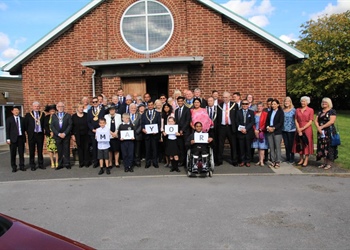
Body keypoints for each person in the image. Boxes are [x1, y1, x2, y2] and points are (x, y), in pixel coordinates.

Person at [216, 91, 238, 166]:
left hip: (231, 127)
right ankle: (219, 160)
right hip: (222, 127)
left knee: (233, 144)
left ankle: (234, 160)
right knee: (220, 144)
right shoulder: (219, 105)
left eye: (226, 97)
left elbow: (236, 117)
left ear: (229, 97)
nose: (225, 99)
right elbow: (218, 117)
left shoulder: (234, 105)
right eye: (223, 97)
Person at [314, 97, 338, 170]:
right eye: (323, 102)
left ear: (329, 103)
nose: (324, 103)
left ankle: (329, 163)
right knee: (322, 146)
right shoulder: (320, 112)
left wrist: (322, 127)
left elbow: (331, 121)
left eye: (326, 102)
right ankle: (324, 162)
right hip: (321, 132)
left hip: (329, 131)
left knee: (329, 147)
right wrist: (318, 127)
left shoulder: (332, 111)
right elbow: (316, 120)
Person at [292, 96, 314, 167]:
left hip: (307, 128)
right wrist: (298, 128)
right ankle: (301, 158)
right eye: (302, 101)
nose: (303, 103)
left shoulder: (310, 110)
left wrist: (303, 128)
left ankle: (306, 159)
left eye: (304, 101)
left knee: (306, 143)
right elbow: (295, 119)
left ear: (307, 102)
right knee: (299, 143)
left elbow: (311, 121)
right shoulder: (297, 110)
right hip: (298, 128)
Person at [50, 102, 72, 170]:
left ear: (64, 107)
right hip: (57, 136)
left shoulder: (67, 115)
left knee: (66, 150)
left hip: (66, 136)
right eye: (59, 106)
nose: (60, 108)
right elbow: (52, 126)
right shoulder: (54, 116)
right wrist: (58, 134)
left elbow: (70, 125)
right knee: (59, 151)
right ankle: (60, 164)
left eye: (62, 106)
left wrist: (65, 133)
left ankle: (67, 163)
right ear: (57, 108)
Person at [24, 101, 45, 171]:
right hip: (32, 135)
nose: (36, 107)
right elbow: (25, 125)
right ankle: (32, 165)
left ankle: (40, 164)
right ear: (32, 107)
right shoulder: (28, 115)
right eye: (35, 106)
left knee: (40, 150)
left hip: (40, 134)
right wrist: (29, 133)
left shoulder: (42, 114)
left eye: (38, 106)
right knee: (32, 150)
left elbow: (44, 124)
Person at [141, 100, 161, 168]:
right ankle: (148, 162)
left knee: (154, 149)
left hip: (154, 134)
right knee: (147, 149)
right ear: (147, 106)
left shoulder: (157, 113)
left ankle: (155, 162)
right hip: (147, 135)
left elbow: (159, 123)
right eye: (149, 105)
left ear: (153, 105)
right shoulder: (144, 114)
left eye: (151, 105)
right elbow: (142, 123)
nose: (150, 106)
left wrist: (157, 130)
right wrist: (143, 129)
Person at [87, 96, 106, 168]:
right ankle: (95, 161)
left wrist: (99, 129)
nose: (95, 103)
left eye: (96, 102)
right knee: (94, 147)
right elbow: (88, 122)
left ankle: (103, 161)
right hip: (93, 132)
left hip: (101, 131)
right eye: (93, 102)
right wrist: (92, 129)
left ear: (99, 102)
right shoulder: (89, 111)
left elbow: (104, 120)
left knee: (102, 147)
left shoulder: (102, 110)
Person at [265, 99, 284, 169]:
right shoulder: (270, 112)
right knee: (271, 147)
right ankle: (273, 161)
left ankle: (278, 161)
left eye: (274, 104)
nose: (273, 105)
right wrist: (268, 127)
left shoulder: (280, 112)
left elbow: (280, 122)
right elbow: (267, 121)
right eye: (272, 104)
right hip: (269, 131)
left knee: (277, 147)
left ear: (278, 105)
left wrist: (274, 128)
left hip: (277, 132)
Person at [6, 106, 26, 172]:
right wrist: (8, 138)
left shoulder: (22, 119)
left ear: (19, 111)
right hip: (13, 139)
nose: (16, 111)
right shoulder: (9, 119)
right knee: (13, 153)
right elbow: (7, 129)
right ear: (12, 111)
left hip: (21, 138)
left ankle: (22, 166)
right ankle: (14, 167)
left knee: (21, 153)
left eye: (17, 110)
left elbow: (24, 129)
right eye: (15, 110)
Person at [236, 99, 255, 167]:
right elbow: (237, 121)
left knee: (248, 147)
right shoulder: (238, 112)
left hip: (248, 132)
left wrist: (246, 128)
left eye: (246, 104)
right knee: (241, 148)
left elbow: (252, 122)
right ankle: (242, 161)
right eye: (243, 104)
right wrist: (242, 129)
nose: (244, 105)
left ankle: (248, 161)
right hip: (241, 132)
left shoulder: (251, 112)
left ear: (248, 105)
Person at [71, 103, 90, 168]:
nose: (81, 109)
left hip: (86, 134)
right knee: (80, 148)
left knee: (86, 148)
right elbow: (72, 126)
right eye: (80, 108)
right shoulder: (74, 116)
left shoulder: (86, 115)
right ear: (77, 108)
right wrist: (72, 135)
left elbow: (89, 124)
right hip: (78, 135)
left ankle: (86, 162)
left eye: (82, 107)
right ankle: (81, 162)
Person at [174, 96, 191, 166]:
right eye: (179, 101)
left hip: (185, 132)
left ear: (184, 102)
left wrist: (182, 130)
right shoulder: (176, 110)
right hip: (178, 133)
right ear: (177, 102)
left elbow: (187, 121)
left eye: (181, 101)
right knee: (180, 147)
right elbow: (176, 122)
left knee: (186, 147)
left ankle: (187, 161)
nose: (180, 102)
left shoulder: (187, 110)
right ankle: (182, 161)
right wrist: (178, 131)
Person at [251, 102, 268, 166]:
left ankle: (262, 161)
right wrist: (255, 130)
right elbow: (252, 122)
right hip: (255, 131)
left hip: (262, 132)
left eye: (260, 106)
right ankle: (259, 160)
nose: (259, 107)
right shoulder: (254, 114)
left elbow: (266, 123)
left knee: (262, 147)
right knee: (258, 147)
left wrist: (260, 129)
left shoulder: (265, 114)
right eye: (258, 106)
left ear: (263, 107)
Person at [282, 97, 296, 163]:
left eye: (288, 101)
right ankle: (287, 157)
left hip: (292, 129)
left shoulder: (294, 110)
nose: (286, 102)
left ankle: (292, 157)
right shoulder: (282, 110)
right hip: (284, 129)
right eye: (285, 101)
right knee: (286, 144)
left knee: (291, 144)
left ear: (290, 102)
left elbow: (296, 119)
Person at [44, 104, 58, 168]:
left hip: (56, 135)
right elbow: (45, 126)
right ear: (49, 111)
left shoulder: (58, 117)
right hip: (49, 136)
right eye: (51, 111)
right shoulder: (46, 117)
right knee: (50, 150)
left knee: (57, 149)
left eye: (53, 110)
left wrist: (55, 132)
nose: (52, 112)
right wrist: (50, 132)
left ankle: (57, 161)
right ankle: (52, 162)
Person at [161, 103, 173, 167]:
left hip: (171, 134)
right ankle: (167, 161)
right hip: (164, 134)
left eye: (167, 107)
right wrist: (162, 131)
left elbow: (173, 124)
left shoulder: (172, 114)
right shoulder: (162, 115)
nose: (166, 108)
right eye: (165, 107)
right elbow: (161, 124)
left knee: (170, 148)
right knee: (165, 148)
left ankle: (171, 162)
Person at [130, 103, 142, 167]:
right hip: (129, 136)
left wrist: (137, 132)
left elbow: (141, 125)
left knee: (137, 149)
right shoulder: (127, 115)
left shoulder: (139, 115)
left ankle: (137, 161)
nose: (133, 109)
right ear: (129, 109)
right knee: (131, 149)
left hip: (137, 135)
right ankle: (131, 161)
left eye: (134, 108)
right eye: (132, 108)